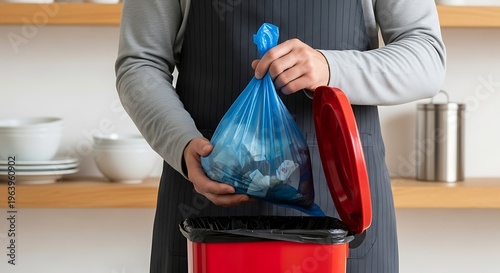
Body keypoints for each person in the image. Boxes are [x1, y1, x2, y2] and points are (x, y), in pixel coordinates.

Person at [115, 0, 446, 272]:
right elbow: (141, 62)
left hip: (340, 209)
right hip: (207, 205)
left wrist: (330, 66)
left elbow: (427, 57)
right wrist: (181, 142)